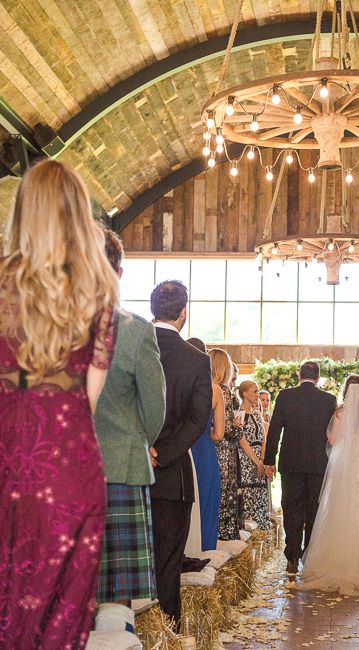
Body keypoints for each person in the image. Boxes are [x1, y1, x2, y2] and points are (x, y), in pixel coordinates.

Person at [0, 160, 119, 649]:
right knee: (62, 620)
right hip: (70, 463)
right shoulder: (100, 292)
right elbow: (89, 397)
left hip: (6, 454)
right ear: (76, 213)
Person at [95, 230, 166, 610]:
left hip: (58, 468)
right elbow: (155, 408)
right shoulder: (137, 330)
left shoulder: (50, 324)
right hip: (121, 467)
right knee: (116, 595)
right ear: (118, 272)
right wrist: (140, 439)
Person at [295, 375, 359, 595]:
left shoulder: (339, 412)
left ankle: (336, 560)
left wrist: (345, 448)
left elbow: (332, 440)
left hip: (344, 464)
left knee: (341, 509)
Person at [149, 280, 212, 628]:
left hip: (125, 471)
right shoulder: (196, 360)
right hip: (172, 477)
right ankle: (166, 631)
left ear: (152, 308)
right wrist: (161, 453)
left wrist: (140, 449)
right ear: (184, 313)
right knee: (168, 561)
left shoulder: (127, 349)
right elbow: (197, 420)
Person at [263, 361, 338, 575]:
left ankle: (292, 557)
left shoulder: (285, 397)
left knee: (292, 509)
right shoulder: (328, 400)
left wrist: (269, 460)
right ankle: (309, 555)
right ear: (318, 377)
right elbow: (332, 435)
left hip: (291, 463)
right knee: (314, 510)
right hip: (318, 464)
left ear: (299, 375)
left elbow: (275, 430)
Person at [188, 338, 225, 552]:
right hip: (204, 450)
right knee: (206, 501)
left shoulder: (176, 382)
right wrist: (206, 432)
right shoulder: (214, 390)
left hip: (182, 450)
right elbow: (219, 434)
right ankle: (204, 549)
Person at [209, 348, 241, 541]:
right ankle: (223, 536)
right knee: (224, 495)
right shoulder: (224, 392)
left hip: (206, 445)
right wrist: (239, 429)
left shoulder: (203, 387)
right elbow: (227, 429)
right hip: (223, 450)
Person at [236, 380, 271, 531]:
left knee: (260, 496)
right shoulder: (238, 413)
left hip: (259, 458)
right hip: (245, 459)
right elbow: (242, 442)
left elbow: (263, 439)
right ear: (245, 393)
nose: (257, 395)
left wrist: (263, 461)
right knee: (248, 495)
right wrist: (257, 463)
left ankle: (262, 530)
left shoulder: (257, 413)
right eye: (255, 391)